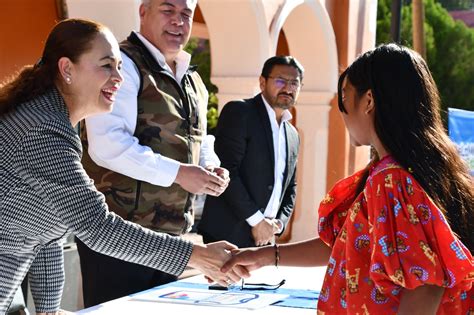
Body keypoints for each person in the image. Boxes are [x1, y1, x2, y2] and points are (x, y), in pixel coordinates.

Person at [0, 18, 242, 315]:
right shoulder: (43, 130)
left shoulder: (54, 119)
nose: (119, 77)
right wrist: (199, 256)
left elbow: (49, 236)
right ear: (67, 70)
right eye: (106, 66)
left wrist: (47, 312)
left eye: (118, 66)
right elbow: (98, 227)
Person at [222, 44, 474, 314]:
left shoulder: (392, 181)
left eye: (344, 96)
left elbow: (424, 285)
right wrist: (265, 256)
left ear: (368, 101)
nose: (341, 110)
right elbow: (349, 243)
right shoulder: (409, 171)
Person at [76, 0, 230, 307]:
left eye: (186, 14)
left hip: (171, 235)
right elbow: (107, 145)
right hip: (117, 235)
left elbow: (200, 139)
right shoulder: (120, 66)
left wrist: (210, 166)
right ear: (143, 12)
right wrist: (179, 173)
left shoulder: (192, 79)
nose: (178, 21)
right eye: (168, 10)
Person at [198, 56, 302, 248]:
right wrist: (257, 221)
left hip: (265, 238)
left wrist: (278, 224)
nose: (288, 88)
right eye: (280, 80)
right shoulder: (240, 112)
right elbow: (228, 171)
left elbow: (290, 186)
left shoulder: (293, 134)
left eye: (294, 83)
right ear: (262, 82)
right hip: (228, 233)